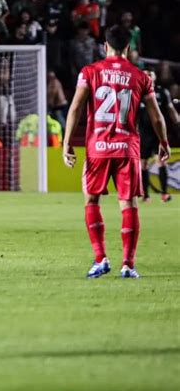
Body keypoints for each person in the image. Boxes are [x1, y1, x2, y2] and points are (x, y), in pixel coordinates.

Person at [63, 25, 170, 279]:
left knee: (91, 200)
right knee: (129, 204)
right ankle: (128, 265)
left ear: (105, 46)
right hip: (127, 148)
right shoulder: (141, 76)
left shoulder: (90, 72)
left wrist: (67, 141)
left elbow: (76, 108)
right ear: (129, 48)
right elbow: (156, 116)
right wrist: (163, 141)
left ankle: (100, 258)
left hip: (97, 148)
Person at [139, 71, 179, 203]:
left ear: (155, 77)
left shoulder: (162, 92)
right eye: (146, 75)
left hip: (158, 132)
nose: (148, 77)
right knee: (143, 164)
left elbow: (170, 109)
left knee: (161, 161)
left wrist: (178, 122)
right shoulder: (137, 91)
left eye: (150, 74)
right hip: (143, 133)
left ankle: (164, 193)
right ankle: (145, 195)